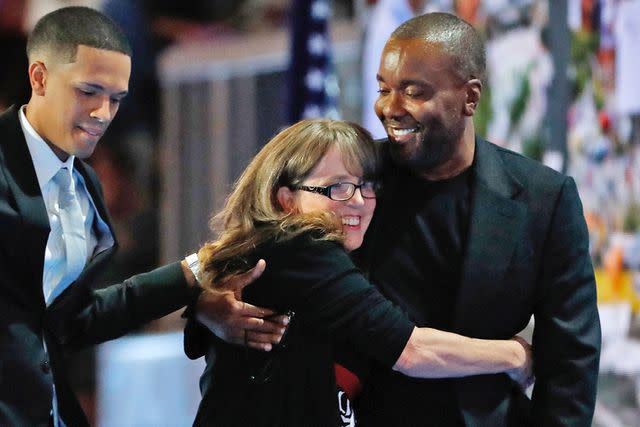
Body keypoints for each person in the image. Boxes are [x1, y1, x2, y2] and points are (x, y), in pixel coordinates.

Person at [0, 7, 284, 426]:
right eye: (88, 91)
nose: (103, 113)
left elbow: (73, 321)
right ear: (39, 78)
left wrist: (196, 273)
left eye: (115, 99)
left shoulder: (85, 186)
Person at [183, 119, 534, 426]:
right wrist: (515, 356)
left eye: (366, 185)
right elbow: (412, 351)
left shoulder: (284, 255)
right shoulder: (298, 248)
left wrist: (201, 303)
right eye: (336, 186)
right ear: (285, 200)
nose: (358, 201)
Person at [348, 12, 601, 426]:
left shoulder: (544, 199)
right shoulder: (354, 179)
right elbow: (264, 234)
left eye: (413, 92)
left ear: (470, 97)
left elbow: (570, 363)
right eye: (383, 89)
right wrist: (205, 297)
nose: (390, 109)